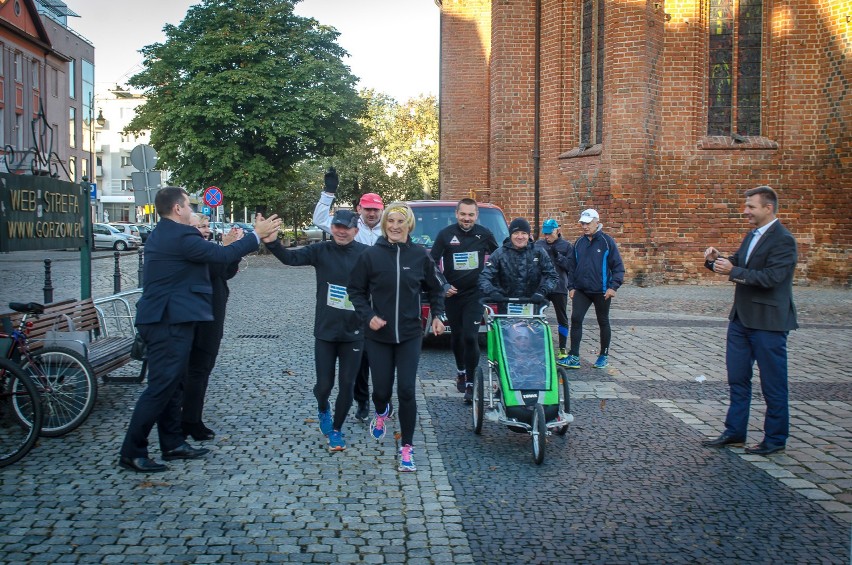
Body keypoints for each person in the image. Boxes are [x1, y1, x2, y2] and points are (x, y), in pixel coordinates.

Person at [118, 186, 281, 473]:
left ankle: (172, 443)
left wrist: (230, 246)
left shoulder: (170, 233)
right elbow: (218, 258)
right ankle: (133, 450)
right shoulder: (179, 234)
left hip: (174, 319)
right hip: (167, 321)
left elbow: (215, 261)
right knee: (160, 388)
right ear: (178, 208)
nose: (193, 212)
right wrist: (256, 234)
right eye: (189, 207)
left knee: (172, 385)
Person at [347, 202, 447, 472]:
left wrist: (438, 315)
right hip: (378, 335)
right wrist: (368, 315)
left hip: (410, 334)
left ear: (408, 225)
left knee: (405, 390)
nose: (394, 226)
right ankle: (381, 412)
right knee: (380, 391)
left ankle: (407, 448)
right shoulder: (370, 256)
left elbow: (437, 288)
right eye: (390, 221)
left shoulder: (419, 256)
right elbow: (355, 290)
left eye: (399, 222)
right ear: (384, 224)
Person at [701, 185, 798, 456]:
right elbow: (739, 262)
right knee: (738, 378)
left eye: (751, 207)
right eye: (746, 206)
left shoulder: (783, 239)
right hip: (741, 319)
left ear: (768, 208)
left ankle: (775, 438)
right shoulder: (752, 235)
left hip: (769, 322)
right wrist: (716, 260)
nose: (746, 211)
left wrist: (734, 271)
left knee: (773, 383)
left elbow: (771, 278)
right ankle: (735, 431)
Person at [263, 210, 368, 452]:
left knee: (347, 385)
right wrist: (271, 242)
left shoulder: (366, 254)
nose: (341, 231)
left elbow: (385, 281)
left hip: (355, 331)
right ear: (331, 227)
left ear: (356, 230)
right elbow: (290, 259)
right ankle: (323, 408)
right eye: (337, 226)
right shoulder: (321, 251)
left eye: (347, 227)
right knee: (324, 385)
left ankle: (337, 430)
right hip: (326, 331)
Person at [313, 167, 384, 422]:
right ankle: (362, 401)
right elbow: (320, 219)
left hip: (383, 300)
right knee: (360, 355)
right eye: (368, 209)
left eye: (376, 209)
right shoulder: (353, 229)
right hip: (355, 301)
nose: (372, 213)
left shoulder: (390, 229)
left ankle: (382, 400)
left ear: (382, 210)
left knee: (383, 354)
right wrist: (328, 192)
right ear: (360, 210)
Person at [180, 213, 242, 441]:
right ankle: (188, 421)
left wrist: (230, 254)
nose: (205, 230)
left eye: (206, 226)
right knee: (195, 370)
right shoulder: (193, 249)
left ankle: (193, 418)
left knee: (203, 369)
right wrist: (229, 249)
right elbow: (214, 270)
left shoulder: (206, 247)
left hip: (213, 315)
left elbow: (225, 272)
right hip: (201, 317)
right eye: (199, 227)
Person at [430, 198, 498, 403]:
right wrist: (442, 285)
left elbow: (498, 258)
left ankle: (470, 383)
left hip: (475, 294)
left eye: (471, 215)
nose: (466, 218)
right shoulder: (446, 235)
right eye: (463, 214)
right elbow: (431, 262)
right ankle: (460, 370)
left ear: (476, 215)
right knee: (458, 337)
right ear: (456, 214)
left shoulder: (484, 234)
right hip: (453, 294)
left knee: (471, 336)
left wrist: (488, 280)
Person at [563, 209, 625, 370]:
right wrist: (571, 287)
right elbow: (571, 267)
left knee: (602, 321)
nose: (585, 226)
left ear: (597, 222)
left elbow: (618, 267)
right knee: (576, 319)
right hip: (581, 290)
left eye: (588, 223)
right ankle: (574, 356)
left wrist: (613, 287)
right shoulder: (578, 243)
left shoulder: (606, 242)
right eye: (582, 223)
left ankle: (603, 355)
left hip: (602, 291)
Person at [479, 217, 559, 311]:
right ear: (510, 235)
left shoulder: (539, 252)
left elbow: (552, 276)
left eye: (524, 233)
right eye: (516, 233)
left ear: (528, 235)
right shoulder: (499, 254)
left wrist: (542, 292)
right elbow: (484, 277)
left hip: (532, 306)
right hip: (505, 307)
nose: (520, 237)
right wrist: (493, 292)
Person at [535, 218, 574, 366]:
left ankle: (563, 348)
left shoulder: (566, 246)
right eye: (544, 234)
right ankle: (537, 345)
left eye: (549, 234)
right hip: (542, 286)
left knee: (562, 318)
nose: (546, 237)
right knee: (536, 315)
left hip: (559, 287)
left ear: (557, 231)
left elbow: (570, 266)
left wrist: (558, 256)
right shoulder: (539, 244)